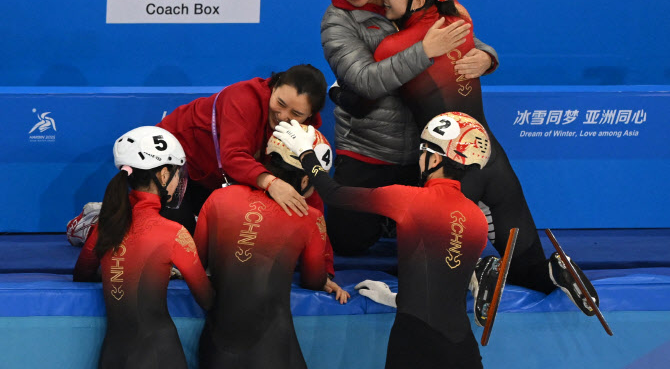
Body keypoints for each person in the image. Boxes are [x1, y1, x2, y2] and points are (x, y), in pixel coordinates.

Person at [373, 0, 599, 324]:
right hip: (489, 151)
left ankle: (476, 272)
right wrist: (490, 57)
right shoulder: (461, 16)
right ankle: (554, 271)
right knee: (527, 263)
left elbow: (373, 83)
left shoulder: (392, 47)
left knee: (432, 276)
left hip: (447, 161)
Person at [321, 0, 499, 256]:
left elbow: (451, 26)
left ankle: (461, 207)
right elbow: (364, 81)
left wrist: (486, 56)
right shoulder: (336, 21)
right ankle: (393, 216)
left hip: (423, 148)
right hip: (368, 149)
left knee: (435, 240)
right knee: (348, 241)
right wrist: (425, 51)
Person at [275, 113, 492, 369]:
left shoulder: (408, 199)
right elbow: (440, 289)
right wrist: (393, 298)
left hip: (412, 339)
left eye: (422, 152)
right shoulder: (477, 218)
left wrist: (305, 153)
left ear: (434, 158)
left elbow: (334, 194)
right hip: (461, 346)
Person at [194, 128, 349, 369]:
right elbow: (312, 279)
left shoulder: (217, 197)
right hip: (272, 348)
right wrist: (322, 280)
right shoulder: (309, 217)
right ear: (306, 179)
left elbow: (199, 261)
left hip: (215, 348)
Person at [73, 126, 214, 369]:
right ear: (162, 175)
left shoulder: (105, 226)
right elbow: (208, 300)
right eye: (178, 172)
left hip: (112, 355)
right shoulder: (174, 234)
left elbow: (82, 274)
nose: (181, 179)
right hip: (159, 354)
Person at [157, 64, 328, 234]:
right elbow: (233, 156)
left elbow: (308, 181)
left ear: (310, 115)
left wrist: (318, 229)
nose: (283, 116)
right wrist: (272, 184)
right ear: (274, 87)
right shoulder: (243, 98)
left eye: (296, 114)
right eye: (280, 103)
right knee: (180, 235)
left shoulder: (308, 132)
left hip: (217, 179)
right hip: (171, 162)